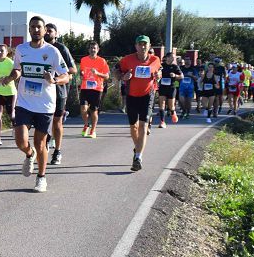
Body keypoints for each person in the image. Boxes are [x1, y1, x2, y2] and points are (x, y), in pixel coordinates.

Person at [12, 16, 71, 192]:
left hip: (44, 105)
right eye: (32, 27)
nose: (36, 30)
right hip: (24, 101)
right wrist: (10, 77)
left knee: (40, 143)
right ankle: (30, 155)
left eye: (39, 27)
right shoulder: (21, 49)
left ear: (45, 30)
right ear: (29, 30)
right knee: (21, 141)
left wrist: (53, 80)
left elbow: (66, 75)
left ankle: (41, 177)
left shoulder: (52, 51)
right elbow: (17, 69)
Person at [117, 36, 161, 171]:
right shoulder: (127, 59)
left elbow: (159, 70)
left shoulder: (155, 59)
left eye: (145, 44)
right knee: (133, 127)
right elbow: (117, 71)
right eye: (140, 44)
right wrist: (123, 77)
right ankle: (137, 147)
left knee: (143, 125)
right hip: (131, 96)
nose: (142, 47)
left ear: (149, 46)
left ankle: (138, 157)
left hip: (148, 95)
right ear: (135, 46)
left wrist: (159, 75)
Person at [43, 23, 77, 165]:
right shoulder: (39, 47)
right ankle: (43, 148)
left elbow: (73, 69)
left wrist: (60, 76)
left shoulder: (61, 48)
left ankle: (57, 151)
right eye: (46, 30)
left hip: (59, 91)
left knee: (56, 122)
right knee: (43, 121)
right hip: (42, 92)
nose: (47, 33)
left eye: (50, 31)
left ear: (56, 34)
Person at [78, 41, 109, 137]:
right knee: (83, 109)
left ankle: (93, 130)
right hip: (85, 87)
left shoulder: (102, 61)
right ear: (88, 49)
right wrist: (82, 74)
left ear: (98, 50)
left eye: (94, 48)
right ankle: (87, 124)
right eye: (91, 48)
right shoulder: (83, 60)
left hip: (97, 89)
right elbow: (81, 71)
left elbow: (107, 76)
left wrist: (97, 73)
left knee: (93, 111)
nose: (92, 50)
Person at [156, 52, 183, 127]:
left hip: (171, 87)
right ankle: (162, 122)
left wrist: (175, 75)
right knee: (162, 104)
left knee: (171, 106)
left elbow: (182, 76)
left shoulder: (175, 67)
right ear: (167, 58)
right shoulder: (161, 66)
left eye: (174, 58)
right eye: (172, 57)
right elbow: (156, 73)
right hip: (162, 87)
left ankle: (173, 112)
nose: (173, 59)